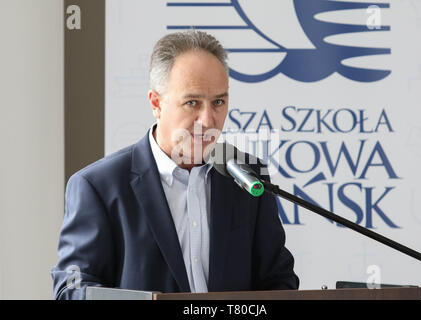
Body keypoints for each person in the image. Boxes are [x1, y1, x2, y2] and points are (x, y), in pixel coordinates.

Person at [51, 30, 299, 299]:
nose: (208, 120)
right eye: (192, 103)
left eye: (218, 102)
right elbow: (71, 289)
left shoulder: (248, 176)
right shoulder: (98, 186)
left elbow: (278, 280)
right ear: (156, 103)